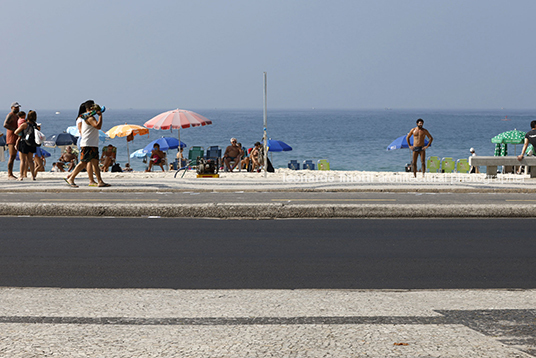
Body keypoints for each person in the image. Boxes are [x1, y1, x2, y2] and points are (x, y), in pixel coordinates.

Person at [66, 101, 110, 187]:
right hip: (87, 144)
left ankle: (100, 181)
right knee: (83, 163)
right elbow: (98, 126)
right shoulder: (89, 118)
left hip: (92, 143)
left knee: (95, 163)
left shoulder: (88, 117)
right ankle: (71, 178)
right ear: (89, 109)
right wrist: (100, 116)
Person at [14, 110, 39, 181]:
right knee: (30, 160)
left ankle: (21, 176)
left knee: (23, 160)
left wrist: (21, 134)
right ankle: (33, 176)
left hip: (24, 143)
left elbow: (16, 132)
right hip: (32, 144)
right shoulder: (35, 125)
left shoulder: (25, 124)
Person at [4, 102, 21, 179]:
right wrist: (14, 130)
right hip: (11, 137)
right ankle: (9, 174)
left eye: (18, 107)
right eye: (15, 107)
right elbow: (5, 124)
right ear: (12, 107)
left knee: (14, 156)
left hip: (16, 136)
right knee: (12, 156)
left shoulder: (17, 116)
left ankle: (12, 173)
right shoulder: (10, 115)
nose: (17, 109)